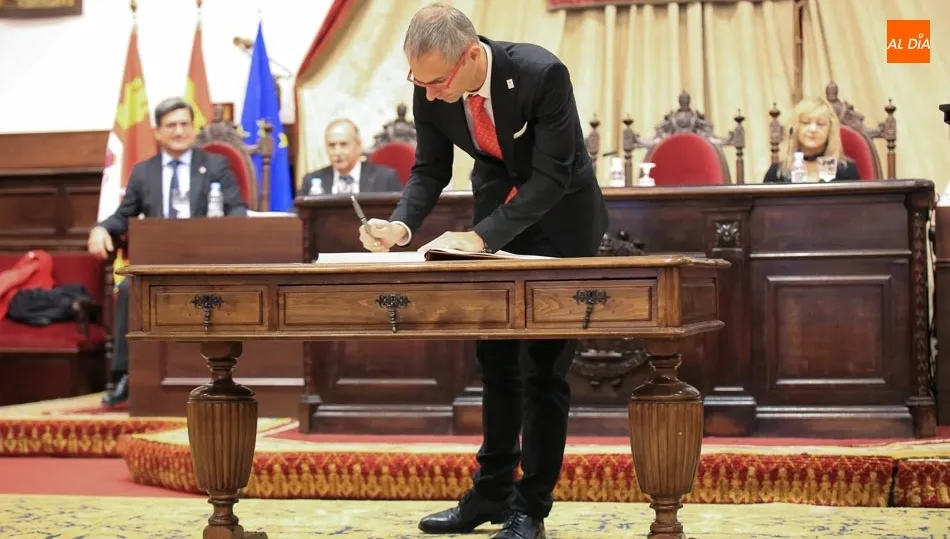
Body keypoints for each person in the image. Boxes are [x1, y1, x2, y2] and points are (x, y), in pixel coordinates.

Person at [357, 4, 607, 538]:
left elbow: (552, 176)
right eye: (417, 81)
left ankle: (530, 507)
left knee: (543, 369)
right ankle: (490, 494)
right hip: (495, 220)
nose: (427, 94)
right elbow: (430, 169)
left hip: (561, 225)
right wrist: (401, 228)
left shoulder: (542, 73)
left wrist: (481, 237)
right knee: (495, 362)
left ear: (471, 56)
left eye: (436, 82)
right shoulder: (434, 86)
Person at [91, 97, 248, 407]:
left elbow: (237, 210)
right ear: (158, 132)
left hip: (209, 262)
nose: (179, 131)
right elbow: (125, 214)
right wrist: (101, 228)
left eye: (185, 124)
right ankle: (126, 375)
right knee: (127, 290)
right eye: (171, 125)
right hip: (158, 265)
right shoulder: (143, 172)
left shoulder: (215, 165)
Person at [763, 96, 860, 183]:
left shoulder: (847, 171)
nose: (813, 129)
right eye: (806, 122)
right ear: (796, 128)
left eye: (820, 124)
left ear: (830, 131)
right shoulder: (777, 173)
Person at [301, 118, 403, 194]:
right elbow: (297, 218)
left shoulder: (385, 178)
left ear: (358, 146)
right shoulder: (311, 180)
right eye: (332, 145)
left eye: (343, 144)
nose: (337, 152)